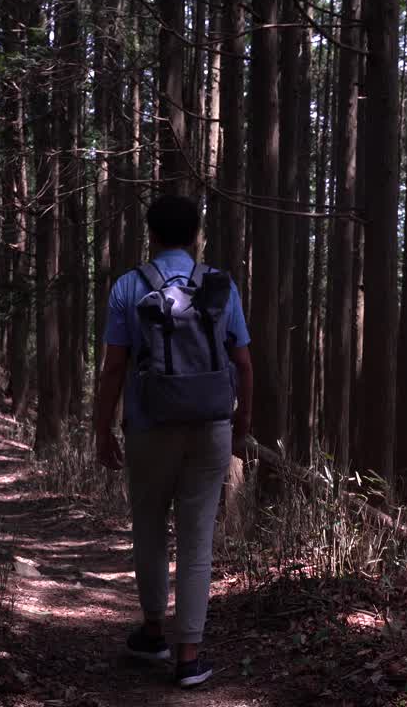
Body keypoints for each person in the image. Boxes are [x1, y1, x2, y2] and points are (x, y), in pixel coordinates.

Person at [94, 194, 254, 688]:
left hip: (149, 425)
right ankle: (188, 657)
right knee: (196, 538)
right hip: (210, 426)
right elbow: (244, 365)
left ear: (153, 235)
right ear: (196, 235)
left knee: (148, 526)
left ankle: (152, 632)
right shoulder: (221, 286)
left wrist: (101, 426)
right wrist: (240, 430)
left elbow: (114, 366)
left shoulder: (128, 286)